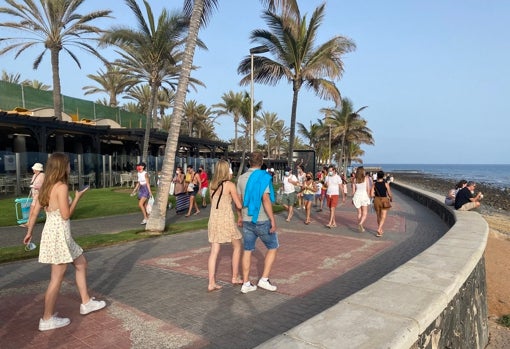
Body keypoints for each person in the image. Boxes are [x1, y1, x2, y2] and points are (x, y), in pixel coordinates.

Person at [22, 153, 105, 331]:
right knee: (56, 278)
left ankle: (86, 302)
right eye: (68, 165)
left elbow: (35, 211)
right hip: (59, 234)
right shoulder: (60, 187)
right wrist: (77, 198)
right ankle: (46, 319)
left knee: (81, 263)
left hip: (55, 233)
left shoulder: (46, 186)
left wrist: (30, 232)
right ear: (61, 167)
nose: (69, 167)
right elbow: (66, 215)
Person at [237, 151, 278, 294]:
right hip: (261, 219)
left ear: (249, 162)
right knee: (273, 246)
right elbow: (265, 199)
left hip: (247, 219)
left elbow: (239, 201)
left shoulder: (241, 178)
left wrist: (239, 216)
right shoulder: (263, 177)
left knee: (247, 250)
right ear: (261, 163)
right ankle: (264, 279)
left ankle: (246, 283)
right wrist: (273, 220)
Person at [207, 160, 243, 292]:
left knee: (214, 251)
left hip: (214, 219)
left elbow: (213, 202)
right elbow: (238, 205)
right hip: (226, 219)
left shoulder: (212, 184)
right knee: (238, 246)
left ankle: (211, 282)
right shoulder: (229, 185)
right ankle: (235, 277)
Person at [20, 162, 45, 228]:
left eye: (34, 168)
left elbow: (43, 185)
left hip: (39, 194)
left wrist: (36, 187)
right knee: (35, 208)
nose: (33, 170)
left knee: (33, 208)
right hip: (35, 194)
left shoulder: (42, 175)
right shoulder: (35, 175)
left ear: (37, 169)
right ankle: (30, 222)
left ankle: (29, 223)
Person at [371, 170, 393, 237]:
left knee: (378, 216)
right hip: (384, 200)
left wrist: (375, 197)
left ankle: (380, 231)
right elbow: (389, 193)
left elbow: (371, 194)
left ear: (377, 176)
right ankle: (379, 229)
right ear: (383, 176)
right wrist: (391, 198)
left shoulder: (374, 184)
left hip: (376, 200)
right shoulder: (386, 184)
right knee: (383, 216)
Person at [352, 167, 371, 232]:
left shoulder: (355, 179)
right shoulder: (366, 178)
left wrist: (353, 198)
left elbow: (353, 190)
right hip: (364, 196)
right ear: (363, 171)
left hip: (357, 196)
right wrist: (368, 197)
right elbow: (368, 189)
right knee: (365, 213)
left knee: (359, 213)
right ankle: (360, 224)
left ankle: (361, 227)